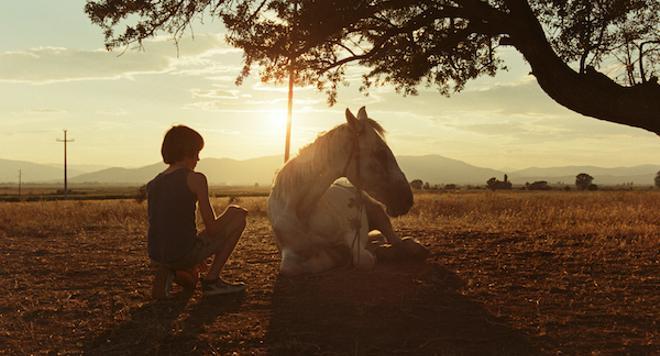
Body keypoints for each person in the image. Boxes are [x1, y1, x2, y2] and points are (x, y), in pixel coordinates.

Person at [147, 125, 247, 298]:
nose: (198, 158)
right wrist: (232, 211)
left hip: (156, 254)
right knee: (238, 217)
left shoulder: (154, 183)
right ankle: (212, 281)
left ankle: (171, 272)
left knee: (192, 280)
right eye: (197, 152)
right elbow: (213, 229)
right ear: (189, 151)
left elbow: (165, 223)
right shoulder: (195, 179)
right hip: (181, 253)